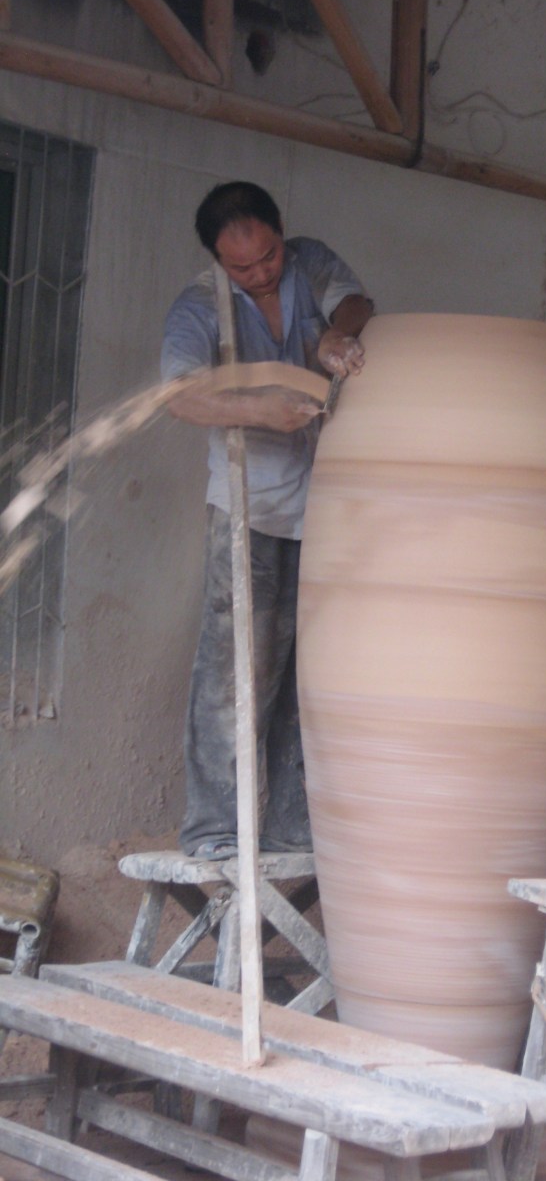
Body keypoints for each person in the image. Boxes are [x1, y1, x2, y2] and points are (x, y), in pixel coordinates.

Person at [162, 181, 372, 860]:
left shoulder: (308, 263)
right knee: (235, 670)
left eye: (268, 257)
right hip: (248, 507)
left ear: (283, 233)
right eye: (242, 267)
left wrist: (340, 335)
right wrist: (259, 408)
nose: (259, 274)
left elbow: (354, 301)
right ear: (217, 261)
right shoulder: (200, 307)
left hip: (323, 508)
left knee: (303, 671)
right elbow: (180, 395)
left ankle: (288, 825)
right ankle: (216, 831)